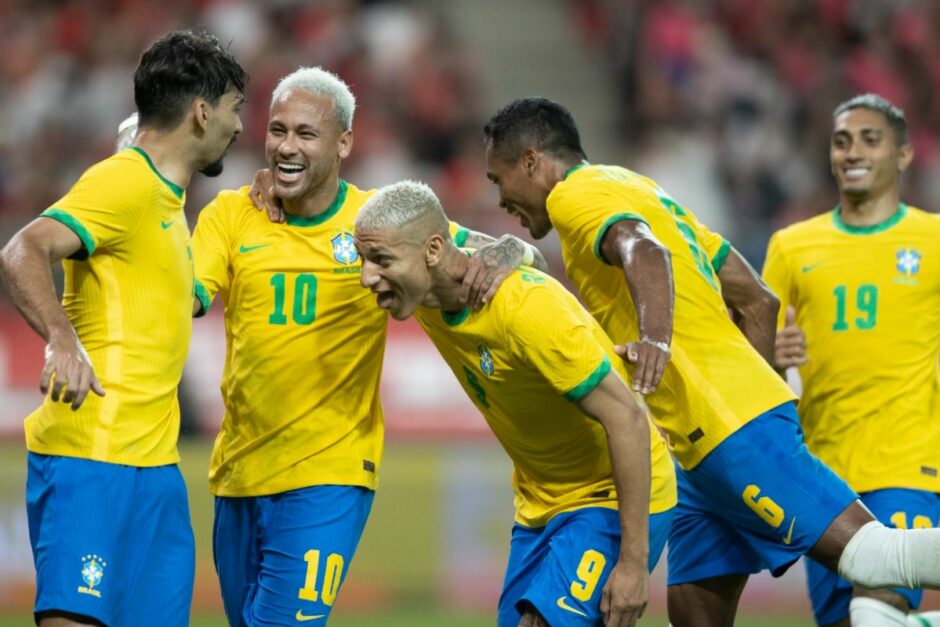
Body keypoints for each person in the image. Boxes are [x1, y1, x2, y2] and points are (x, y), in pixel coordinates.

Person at [481, 97, 940, 627]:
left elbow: (642, 249)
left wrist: (657, 339)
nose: (500, 199)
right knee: (696, 618)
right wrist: (763, 396)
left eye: (499, 179)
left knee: (873, 556)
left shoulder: (574, 197)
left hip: (728, 431)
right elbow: (757, 300)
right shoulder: (639, 188)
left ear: (533, 161)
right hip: (696, 451)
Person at [190, 67, 548, 626]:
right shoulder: (233, 215)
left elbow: (519, 253)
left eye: (306, 134)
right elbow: (185, 296)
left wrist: (502, 258)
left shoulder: (379, 224)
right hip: (237, 473)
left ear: (344, 143)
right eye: (278, 130)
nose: (287, 146)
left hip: (327, 475)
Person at [0, 30, 246, 627]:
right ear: (202, 110)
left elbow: (181, 302)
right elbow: (22, 249)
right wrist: (62, 339)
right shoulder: (126, 182)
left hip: (156, 472)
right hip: (94, 459)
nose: (241, 127)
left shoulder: (167, 205)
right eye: (237, 109)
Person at [354, 180, 677, 627]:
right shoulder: (425, 281)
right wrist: (513, 246)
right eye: (364, 259)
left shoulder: (528, 310)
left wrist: (633, 563)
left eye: (381, 261)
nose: (366, 276)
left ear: (432, 251)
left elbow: (628, 420)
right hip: (540, 502)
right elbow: (508, 250)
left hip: (608, 497)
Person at [763, 94, 940, 627]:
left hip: (906, 462)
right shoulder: (792, 246)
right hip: (823, 476)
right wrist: (771, 356)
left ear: (904, 155)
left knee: (874, 609)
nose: (852, 151)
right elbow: (754, 362)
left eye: (869, 138)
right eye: (841, 141)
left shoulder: (933, 240)